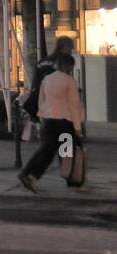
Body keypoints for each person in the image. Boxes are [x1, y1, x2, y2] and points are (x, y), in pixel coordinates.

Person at [19, 52, 86, 192]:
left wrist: (42, 118)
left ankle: (28, 173)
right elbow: (74, 105)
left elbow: (41, 101)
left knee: (46, 151)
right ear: (68, 66)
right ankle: (72, 182)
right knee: (66, 152)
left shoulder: (47, 79)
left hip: (49, 122)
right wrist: (78, 126)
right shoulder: (69, 81)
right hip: (64, 122)